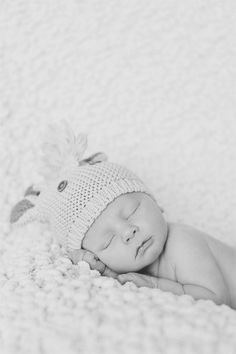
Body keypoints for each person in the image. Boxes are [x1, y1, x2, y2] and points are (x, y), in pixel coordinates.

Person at [9, 120, 236, 310]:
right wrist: (102, 270)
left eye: (132, 211)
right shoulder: (130, 264)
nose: (128, 231)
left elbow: (216, 299)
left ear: (154, 201)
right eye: (107, 242)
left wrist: (153, 285)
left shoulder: (182, 242)